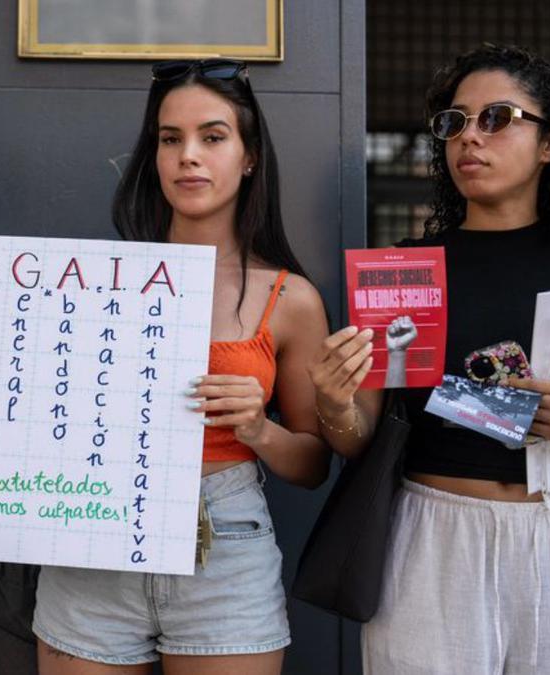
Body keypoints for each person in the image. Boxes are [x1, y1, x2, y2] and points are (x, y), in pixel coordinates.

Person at [309, 43, 550, 674]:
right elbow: (359, 439)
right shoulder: (405, 270)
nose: (470, 137)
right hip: (432, 537)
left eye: (497, 118)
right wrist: (333, 403)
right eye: (454, 122)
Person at [33, 59, 332, 675]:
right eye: (170, 139)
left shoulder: (291, 299)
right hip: (95, 533)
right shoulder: (88, 285)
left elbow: (313, 464)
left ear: (249, 156)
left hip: (227, 545)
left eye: (212, 137)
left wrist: (259, 429)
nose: (188, 156)